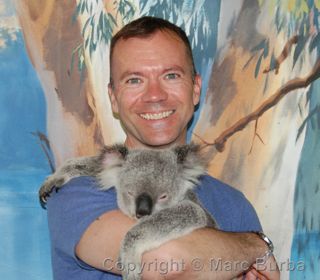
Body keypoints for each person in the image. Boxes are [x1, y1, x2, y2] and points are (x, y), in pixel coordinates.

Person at [46, 16, 280, 279]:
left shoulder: (235, 206)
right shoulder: (79, 193)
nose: (155, 95)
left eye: (171, 75)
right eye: (134, 80)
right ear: (113, 98)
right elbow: (167, 264)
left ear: (195, 89)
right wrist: (255, 245)